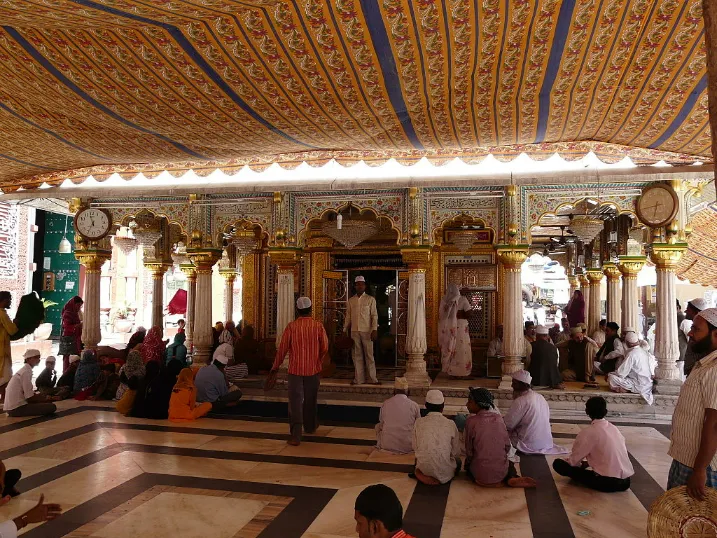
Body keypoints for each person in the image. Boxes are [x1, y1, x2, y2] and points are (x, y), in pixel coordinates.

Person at [668, 308, 717, 499]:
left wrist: (699, 470)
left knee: (699, 526)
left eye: (696, 329)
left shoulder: (714, 370)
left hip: (702, 465)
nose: (689, 333)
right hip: (688, 459)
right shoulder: (705, 365)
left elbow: (714, 425)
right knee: (679, 523)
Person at [270, 297, 329, 445]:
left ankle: (296, 435)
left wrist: (274, 368)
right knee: (310, 399)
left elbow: (282, 350)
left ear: (297, 310)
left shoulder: (291, 327)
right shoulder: (318, 326)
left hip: (295, 371)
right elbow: (325, 347)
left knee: (295, 403)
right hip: (313, 369)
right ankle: (310, 427)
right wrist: (318, 360)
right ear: (310, 309)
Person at [553, 396, 633, 492]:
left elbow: (574, 461)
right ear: (605, 411)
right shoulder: (614, 428)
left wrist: (570, 463)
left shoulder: (588, 432)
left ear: (587, 411)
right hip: (626, 481)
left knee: (559, 464)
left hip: (608, 483)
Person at [464, 387, 536, 488]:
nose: (467, 405)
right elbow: (507, 446)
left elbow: (469, 450)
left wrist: (468, 462)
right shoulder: (498, 418)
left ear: (477, 404)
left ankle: (483, 476)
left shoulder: (471, 421)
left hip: (480, 476)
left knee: (467, 466)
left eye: (469, 402)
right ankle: (510, 477)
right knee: (509, 462)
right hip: (500, 473)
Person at [503, 370, 567, 455]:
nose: (512, 386)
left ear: (522, 385)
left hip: (529, 444)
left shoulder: (520, 401)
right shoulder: (540, 397)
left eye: (514, 383)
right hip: (546, 443)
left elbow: (508, 425)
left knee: (497, 431)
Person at [411, 390, 461, 485]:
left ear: (426, 406)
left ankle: (420, 474)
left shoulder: (418, 422)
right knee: (458, 462)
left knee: (418, 460)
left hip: (424, 470)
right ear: (442, 407)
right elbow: (455, 452)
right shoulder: (451, 424)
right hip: (446, 475)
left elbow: (415, 447)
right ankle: (442, 476)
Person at [344, 276, 379, 385]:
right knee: (356, 355)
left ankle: (373, 379)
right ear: (355, 286)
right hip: (354, 331)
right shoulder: (351, 301)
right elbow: (348, 316)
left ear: (365, 286)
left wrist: (374, 329)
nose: (360, 286)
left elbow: (374, 316)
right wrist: (345, 329)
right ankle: (359, 379)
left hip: (367, 331)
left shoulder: (370, 299)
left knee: (369, 355)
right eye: (358, 284)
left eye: (362, 284)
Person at [3, 350, 57, 417]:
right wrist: (45, 398)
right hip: (16, 408)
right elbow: (30, 397)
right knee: (52, 407)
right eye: (36, 357)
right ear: (28, 359)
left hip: (12, 407)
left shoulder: (25, 370)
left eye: (39, 357)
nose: (38, 360)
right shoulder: (25, 372)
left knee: (46, 402)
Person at [375, 377, 420, 454]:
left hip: (387, 445)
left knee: (378, 426)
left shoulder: (386, 403)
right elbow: (418, 424)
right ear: (407, 392)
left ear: (394, 391)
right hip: (408, 446)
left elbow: (381, 422)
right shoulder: (414, 405)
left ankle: (384, 444)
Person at [607, 332, 654, 405]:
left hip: (637, 385)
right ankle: (626, 388)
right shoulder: (644, 351)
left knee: (611, 377)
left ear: (627, 343)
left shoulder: (632, 354)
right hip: (647, 385)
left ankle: (627, 389)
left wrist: (610, 374)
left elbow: (621, 374)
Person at [438, 284, 473, 379]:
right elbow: (469, 313)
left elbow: (442, 316)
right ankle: (461, 373)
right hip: (460, 327)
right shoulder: (462, 299)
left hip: (449, 327)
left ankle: (451, 371)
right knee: (462, 348)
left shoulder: (445, 300)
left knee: (451, 347)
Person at [0, 291, 18, 402]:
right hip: (2, 351)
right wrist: (16, 322)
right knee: (5, 375)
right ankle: (4, 398)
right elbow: (12, 330)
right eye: (8, 300)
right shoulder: (2, 313)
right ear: (3, 300)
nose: (10, 302)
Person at [683, 298, 707, 377]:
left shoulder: (704, 332)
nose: (685, 311)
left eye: (688, 309)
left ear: (696, 312)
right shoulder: (696, 329)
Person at [59, 296, 83, 372]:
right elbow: (66, 326)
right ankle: (66, 373)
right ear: (73, 304)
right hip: (68, 338)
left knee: (74, 356)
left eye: (80, 306)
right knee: (67, 357)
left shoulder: (75, 313)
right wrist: (78, 326)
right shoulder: (68, 313)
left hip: (75, 337)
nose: (79, 308)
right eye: (78, 305)